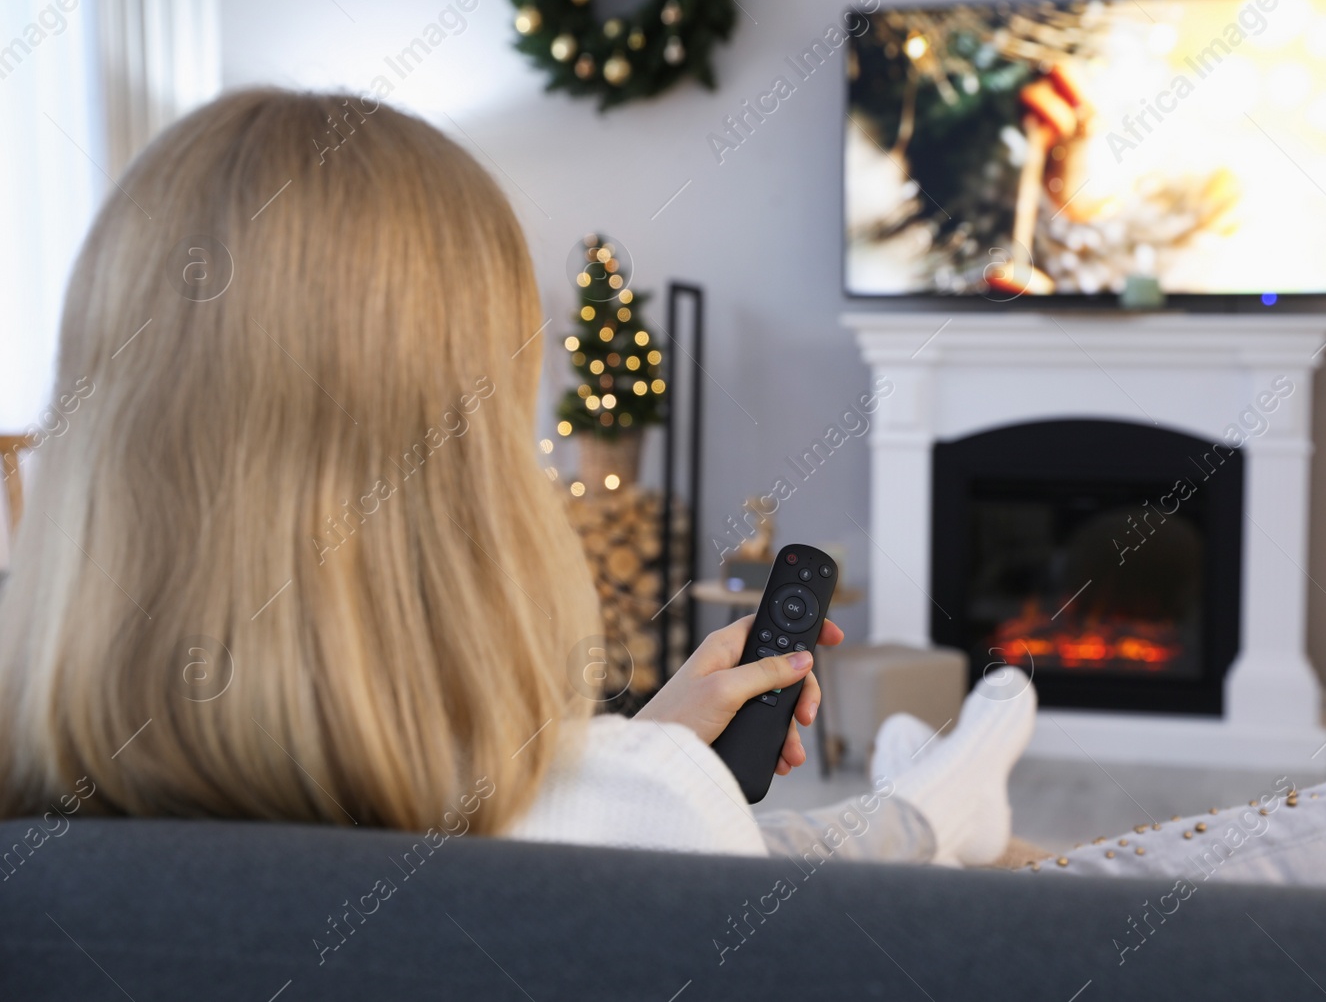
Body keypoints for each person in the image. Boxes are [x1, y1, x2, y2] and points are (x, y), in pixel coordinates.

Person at [0, 89, 1035, 867]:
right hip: (659, 820)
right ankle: (936, 807)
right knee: (811, 853)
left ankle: (929, 796)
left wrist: (643, 743)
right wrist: (651, 767)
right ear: (467, 480)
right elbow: (626, 818)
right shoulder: (634, 813)